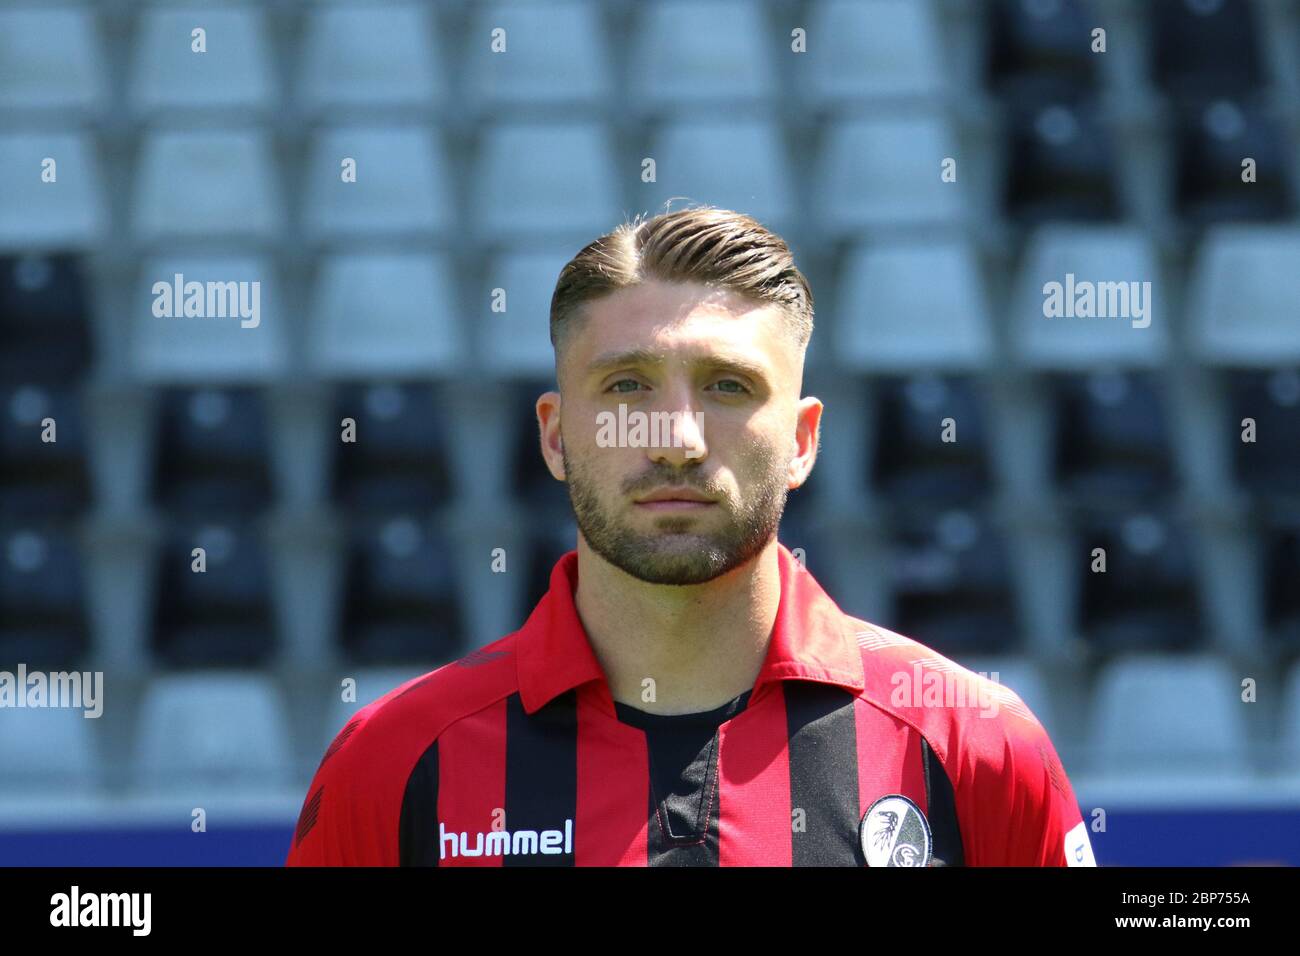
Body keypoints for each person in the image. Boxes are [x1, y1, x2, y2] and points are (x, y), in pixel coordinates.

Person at [286, 205, 1096, 867]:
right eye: (628, 384)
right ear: (557, 434)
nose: (676, 436)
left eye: (728, 386)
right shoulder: (394, 764)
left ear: (803, 442)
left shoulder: (974, 746)